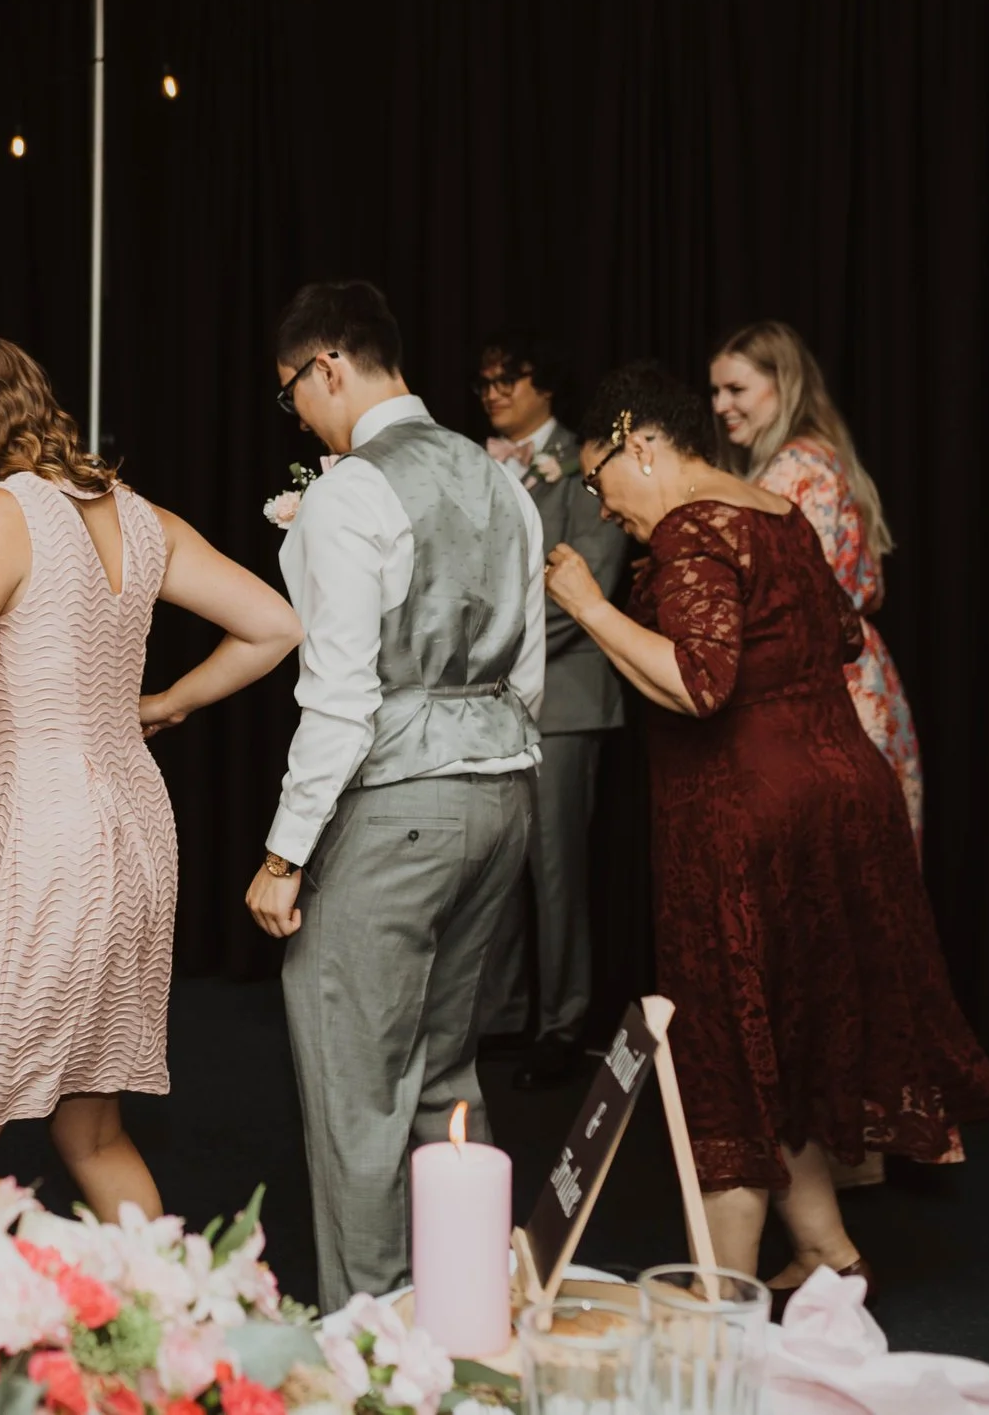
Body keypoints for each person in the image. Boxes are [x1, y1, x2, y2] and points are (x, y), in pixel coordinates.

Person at [0, 331, 301, 1218]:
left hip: (47, 842)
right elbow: (272, 623)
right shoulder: (141, 515)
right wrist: (163, 702)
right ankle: (172, 1331)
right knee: (93, 1134)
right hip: (137, 833)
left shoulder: (2, 514)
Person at [543, 362, 989, 1294]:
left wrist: (591, 607)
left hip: (746, 821)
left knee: (726, 1045)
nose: (603, 506)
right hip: (843, 802)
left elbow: (697, 682)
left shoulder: (692, 531)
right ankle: (829, 1251)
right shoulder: (774, 512)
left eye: (600, 480)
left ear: (642, 442)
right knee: (784, 1039)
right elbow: (839, 634)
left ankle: (721, 1292)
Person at [255, 282, 543, 1308]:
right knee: (440, 1060)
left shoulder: (350, 489)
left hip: (398, 803)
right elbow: (531, 666)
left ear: (328, 365)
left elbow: (339, 694)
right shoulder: (500, 477)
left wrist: (284, 852)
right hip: (502, 791)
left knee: (355, 1089)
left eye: (292, 391)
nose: (296, 414)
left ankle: (366, 1336)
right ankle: (464, 1312)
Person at [472, 334, 626, 1090]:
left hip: (563, 693)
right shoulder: (480, 459)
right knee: (498, 860)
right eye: (486, 380)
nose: (494, 390)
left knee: (557, 868)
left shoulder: (583, 458)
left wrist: (483, 648)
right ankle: (500, 1010)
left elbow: (589, 582)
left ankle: (562, 1021)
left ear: (545, 383)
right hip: (492, 699)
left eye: (509, 376)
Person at [709, 321, 921, 845]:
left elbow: (791, 605)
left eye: (736, 389)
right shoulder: (815, 458)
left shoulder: (795, 470)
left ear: (785, 385)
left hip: (829, 687)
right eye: (715, 390)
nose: (719, 405)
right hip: (849, 673)